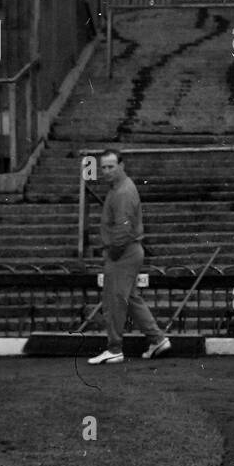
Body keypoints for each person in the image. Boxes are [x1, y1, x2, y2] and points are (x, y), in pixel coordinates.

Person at [87, 150, 172, 364]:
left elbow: (123, 228)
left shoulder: (122, 192)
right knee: (131, 298)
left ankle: (114, 348)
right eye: (103, 167)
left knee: (115, 301)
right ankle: (157, 339)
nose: (106, 171)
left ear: (121, 166)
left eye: (110, 166)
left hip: (122, 252)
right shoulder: (121, 188)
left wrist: (113, 253)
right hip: (129, 250)